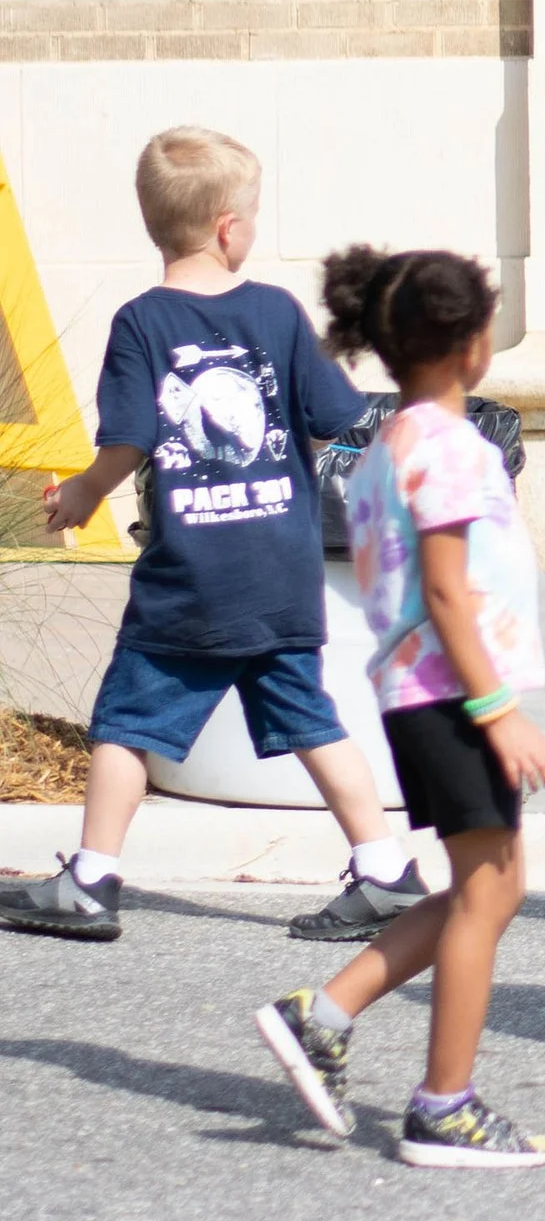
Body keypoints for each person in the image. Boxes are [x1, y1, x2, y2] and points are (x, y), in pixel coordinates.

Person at [7, 128, 422, 945]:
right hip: (279, 570)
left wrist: (89, 491)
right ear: (230, 227)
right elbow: (339, 421)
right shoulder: (274, 311)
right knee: (312, 716)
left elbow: (125, 438)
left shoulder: (141, 323)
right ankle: (386, 868)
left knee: (127, 721)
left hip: (191, 578)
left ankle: (92, 879)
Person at [256, 247, 545, 1166]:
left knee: (488, 887)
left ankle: (324, 1012)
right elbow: (446, 591)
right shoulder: (451, 449)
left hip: (419, 691)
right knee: (489, 890)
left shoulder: (386, 446)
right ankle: (444, 1105)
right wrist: (499, 707)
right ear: (474, 343)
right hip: (453, 693)